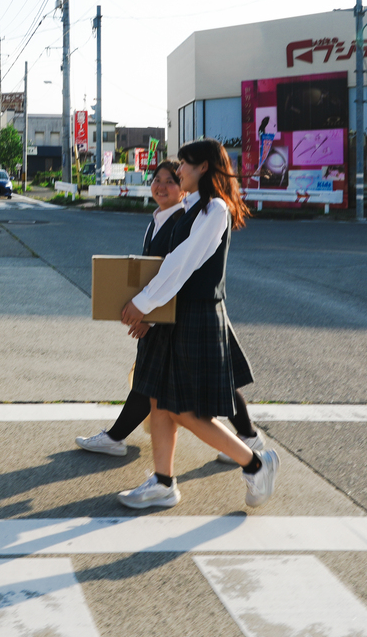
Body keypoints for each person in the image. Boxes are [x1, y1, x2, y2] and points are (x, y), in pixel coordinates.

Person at [114, 139, 280, 510]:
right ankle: (162, 481)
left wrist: (142, 305)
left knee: (186, 412)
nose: (180, 172)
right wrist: (150, 309)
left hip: (195, 316)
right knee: (158, 400)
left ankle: (255, 463)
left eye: (185, 166)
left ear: (203, 167)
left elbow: (182, 264)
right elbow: (169, 264)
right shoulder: (190, 207)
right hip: (175, 315)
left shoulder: (214, 210)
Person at [74, 164, 266, 463]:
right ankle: (247, 436)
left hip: (177, 313)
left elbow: (178, 273)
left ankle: (119, 440)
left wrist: (148, 315)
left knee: (159, 382)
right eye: (157, 180)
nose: (161, 186)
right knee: (177, 380)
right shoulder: (160, 219)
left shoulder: (186, 219)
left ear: (185, 187)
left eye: (171, 181)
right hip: (167, 310)